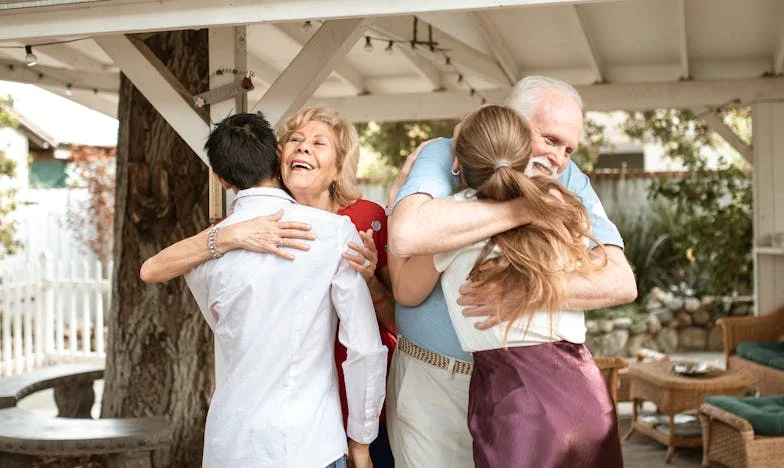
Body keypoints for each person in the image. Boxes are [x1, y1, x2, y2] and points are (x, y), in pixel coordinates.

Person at [384, 76, 637, 468]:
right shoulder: (445, 154)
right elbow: (407, 235)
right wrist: (522, 209)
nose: (559, 158)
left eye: (569, 148)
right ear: (510, 121)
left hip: (520, 396)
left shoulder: (567, 182)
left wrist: (529, 291)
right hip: (436, 381)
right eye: (550, 139)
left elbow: (620, 281)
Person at [140, 107, 397, 467]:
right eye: (296, 140)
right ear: (278, 156)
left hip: (231, 443)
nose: (304, 149)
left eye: (318, 143)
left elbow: (224, 325)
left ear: (220, 178)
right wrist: (361, 443)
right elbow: (365, 350)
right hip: (311, 440)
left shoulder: (201, 253)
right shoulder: (333, 234)